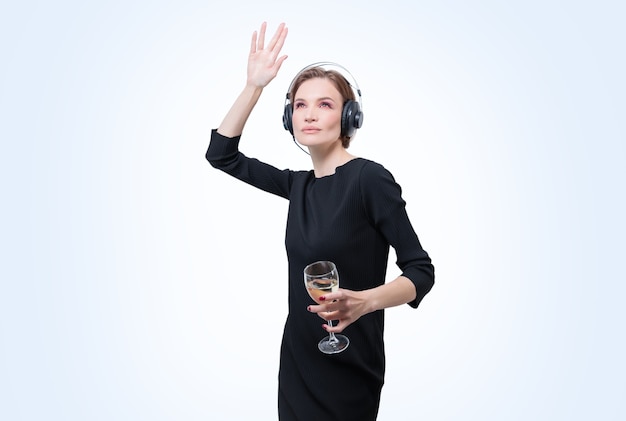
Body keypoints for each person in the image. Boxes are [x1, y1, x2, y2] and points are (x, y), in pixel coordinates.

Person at [206, 22, 434, 421]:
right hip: (298, 359)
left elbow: (421, 270)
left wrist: (364, 302)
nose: (309, 114)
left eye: (325, 104)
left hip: (349, 362)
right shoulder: (298, 186)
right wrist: (254, 86)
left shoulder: (369, 179)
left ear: (349, 116)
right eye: (299, 105)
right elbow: (221, 154)